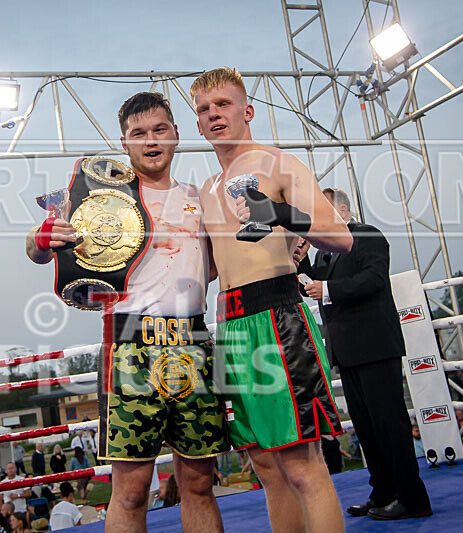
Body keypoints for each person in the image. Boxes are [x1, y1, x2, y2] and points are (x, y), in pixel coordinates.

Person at [25, 92, 228, 533]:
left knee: (198, 482)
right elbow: (39, 247)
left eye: (159, 130)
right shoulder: (103, 200)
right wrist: (41, 240)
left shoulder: (201, 198)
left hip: (193, 340)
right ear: (125, 143)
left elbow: (219, 264)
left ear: (175, 133)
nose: (151, 141)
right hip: (130, 345)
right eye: (139, 134)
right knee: (132, 490)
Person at [192, 67, 351, 533]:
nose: (213, 114)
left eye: (222, 104)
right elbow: (215, 266)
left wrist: (280, 212)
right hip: (232, 326)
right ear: (197, 124)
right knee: (265, 467)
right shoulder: (207, 189)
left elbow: (340, 238)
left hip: (279, 320)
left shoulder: (279, 164)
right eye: (204, 109)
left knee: (303, 466)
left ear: (248, 110)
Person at [295, 186, 432, 521]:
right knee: (367, 427)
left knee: (389, 423)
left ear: (343, 210)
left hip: (375, 344)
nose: (319, 219)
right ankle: (383, 492)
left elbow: (372, 280)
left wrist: (327, 288)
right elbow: (312, 286)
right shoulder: (324, 251)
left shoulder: (366, 235)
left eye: (324, 210)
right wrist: (295, 261)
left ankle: (413, 498)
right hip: (346, 349)